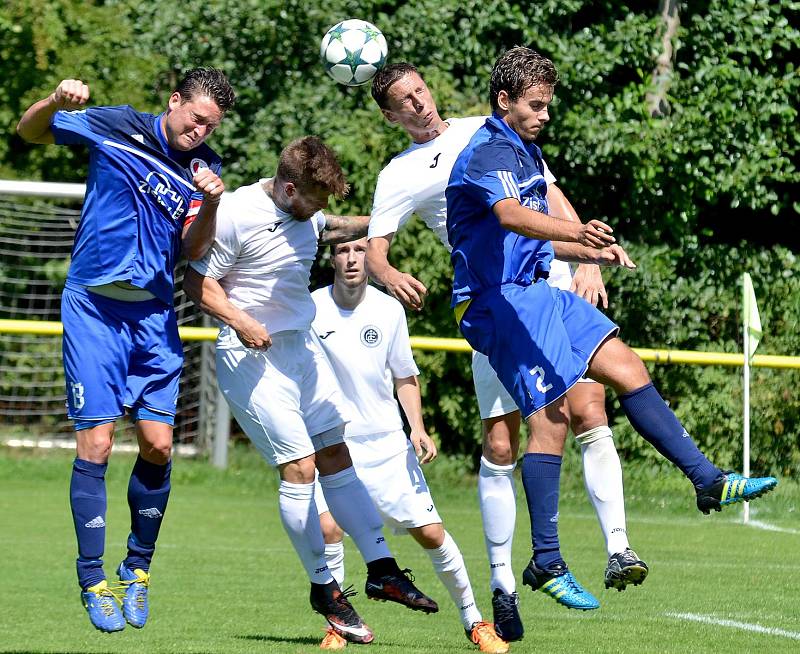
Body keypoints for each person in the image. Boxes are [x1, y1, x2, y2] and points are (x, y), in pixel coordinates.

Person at [446, 45, 778, 622]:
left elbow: (535, 240)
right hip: (495, 301)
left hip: (533, 288)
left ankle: (707, 480)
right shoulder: (486, 151)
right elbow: (510, 218)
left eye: (548, 104)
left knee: (627, 367)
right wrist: (577, 229)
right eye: (536, 104)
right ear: (504, 101)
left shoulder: (525, 150)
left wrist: (587, 248)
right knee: (551, 418)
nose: (545, 114)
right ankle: (546, 560)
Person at [365, 62, 644, 635]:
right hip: (492, 297)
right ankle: (504, 584)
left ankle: (615, 549)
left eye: (420, 90)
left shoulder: (485, 127)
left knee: (587, 409)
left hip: (548, 276)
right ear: (390, 116)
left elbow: (548, 188)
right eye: (404, 100)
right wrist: (389, 273)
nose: (418, 102)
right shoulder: (398, 174)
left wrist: (587, 260)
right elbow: (375, 250)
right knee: (500, 441)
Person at [183, 137, 437, 646]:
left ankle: (383, 569)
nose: (321, 211)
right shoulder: (235, 213)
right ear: (289, 187)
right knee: (299, 467)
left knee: (336, 455)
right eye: (316, 200)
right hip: (250, 353)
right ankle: (325, 588)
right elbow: (195, 281)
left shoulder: (308, 213)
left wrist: (400, 213)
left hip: (301, 349)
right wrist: (239, 319)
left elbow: (338, 225)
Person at [16, 68, 236, 633]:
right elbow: (30, 132)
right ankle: (93, 577)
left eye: (211, 125)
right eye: (196, 117)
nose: (200, 130)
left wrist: (211, 202)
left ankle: (137, 569)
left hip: (154, 315)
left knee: (160, 446)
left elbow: (194, 249)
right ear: (174, 102)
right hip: (93, 309)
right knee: (97, 442)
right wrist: (54, 99)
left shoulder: (203, 171)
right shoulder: (114, 125)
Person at [310, 237, 509, 653]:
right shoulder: (311, 307)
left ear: (371, 257)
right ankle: (340, 623)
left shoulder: (388, 309)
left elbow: (404, 375)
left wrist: (417, 427)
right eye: (343, 250)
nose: (351, 258)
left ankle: (474, 620)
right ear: (331, 257)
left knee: (432, 534)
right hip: (331, 444)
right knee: (329, 529)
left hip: (384, 442)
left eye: (360, 250)